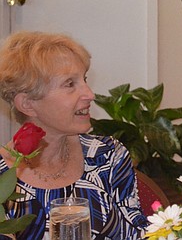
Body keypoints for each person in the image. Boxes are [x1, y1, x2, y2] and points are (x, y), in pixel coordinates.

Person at [0, 31, 147, 239]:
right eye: (70, 84)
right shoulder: (3, 180)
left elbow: (137, 234)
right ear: (27, 104)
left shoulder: (107, 157)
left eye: (84, 79)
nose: (90, 94)